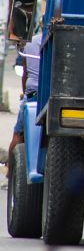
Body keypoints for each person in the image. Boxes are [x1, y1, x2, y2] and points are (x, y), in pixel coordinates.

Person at [7, 32, 42, 176]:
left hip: (32, 93)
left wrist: (25, 94)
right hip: (48, 92)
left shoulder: (31, 42)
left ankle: (10, 171)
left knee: (18, 134)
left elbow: (25, 73)